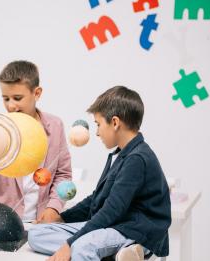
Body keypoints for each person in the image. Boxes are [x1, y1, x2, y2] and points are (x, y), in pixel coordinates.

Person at [28, 86, 171, 261]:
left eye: (98, 124)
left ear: (115, 123)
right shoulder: (120, 155)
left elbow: (112, 211)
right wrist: (62, 218)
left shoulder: (137, 159)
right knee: (36, 235)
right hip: (113, 226)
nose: (96, 132)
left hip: (134, 229)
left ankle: (132, 248)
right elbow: (96, 199)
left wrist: (70, 243)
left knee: (81, 247)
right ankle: (116, 253)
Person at [0, 60, 72, 223]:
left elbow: (63, 174)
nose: (11, 105)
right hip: (2, 222)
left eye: (17, 98)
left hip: (41, 223)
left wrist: (53, 208)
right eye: (6, 99)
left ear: (36, 93)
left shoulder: (55, 125)